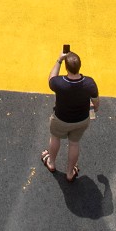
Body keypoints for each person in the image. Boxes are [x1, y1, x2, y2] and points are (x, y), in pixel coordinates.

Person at [40, 49, 98, 182]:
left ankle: (51, 163)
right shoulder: (89, 83)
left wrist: (59, 60)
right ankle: (70, 173)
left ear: (66, 68)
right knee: (74, 144)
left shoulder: (59, 83)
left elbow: (51, 78)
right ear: (80, 66)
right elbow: (95, 101)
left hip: (61, 119)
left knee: (55, 138)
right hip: (81, 120)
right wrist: (96, 109)